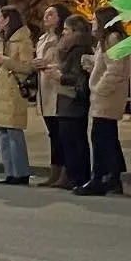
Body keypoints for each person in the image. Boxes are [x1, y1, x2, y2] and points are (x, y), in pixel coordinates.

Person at [77, 6, 130, 196]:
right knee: (108, 136)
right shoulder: (104, 41)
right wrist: (92, 64)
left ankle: (99, 178)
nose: (92, 22)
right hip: (105, 95)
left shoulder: (112, 39)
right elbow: (106, 65)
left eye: (94, 19)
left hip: (108, 96)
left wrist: (99, 88)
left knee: (100, 137)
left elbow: (115, 70)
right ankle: (113, 177)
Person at [0, 6, 34, 185]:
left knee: (14, 132)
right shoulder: (0, 38)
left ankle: (21, 172)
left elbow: (28, 67)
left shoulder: (23, 41)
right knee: (2, 132)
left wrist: (5, 61)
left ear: (7, 19)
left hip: (13, 90)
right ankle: (10, 172)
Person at [48, 14, 93, 190]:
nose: (63, 33)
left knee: (73, 139)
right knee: (70, 138)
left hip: (72, 98)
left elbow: (77, 76)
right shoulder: (74, 47)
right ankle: (76, 177)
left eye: (66, 29)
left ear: (74, 31)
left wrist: (60, 76)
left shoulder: (78, 48)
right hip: (67, 98)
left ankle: (78, 177)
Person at [33, 4, 69, 187]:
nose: (46, 16)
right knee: (53, 134)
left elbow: (66, 64)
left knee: (61, 134)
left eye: (51, 14)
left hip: (58, 89)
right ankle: (55, 172)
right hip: (45, 89)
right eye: (45, 13)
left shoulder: (64, 38)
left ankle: (64, 172)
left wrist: (47, 65)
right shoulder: (42, 38)